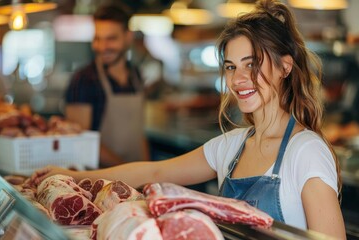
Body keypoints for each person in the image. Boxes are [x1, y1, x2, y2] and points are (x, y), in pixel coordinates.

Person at [34, 0, 346, 238]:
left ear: (285, 67)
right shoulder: (232, 146)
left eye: (252, 64)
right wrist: (68, 175)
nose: (239, 79)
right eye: (230, 66)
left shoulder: (306, 151)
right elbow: (154, 170)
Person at [64, 4, 150, 167]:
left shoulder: (136, 75)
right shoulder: (83, 80)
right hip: (100, 181)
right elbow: (79, 140)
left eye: (111, 38)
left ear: (128, 37)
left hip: (136, 181)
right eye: (97, 39)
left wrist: (148, 172)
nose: (102, 47)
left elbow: (139, 134)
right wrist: (130, 170)